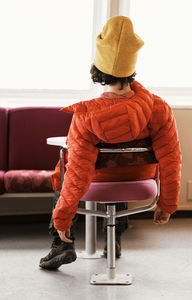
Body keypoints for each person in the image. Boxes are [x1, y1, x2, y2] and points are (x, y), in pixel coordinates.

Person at [39, 16, 181, 270]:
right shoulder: (159, 107)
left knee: (64, 169)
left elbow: (79, 172)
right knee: (119, 164)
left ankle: (61, 244)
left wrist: (62, 219)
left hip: (98, 180)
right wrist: (167, 204)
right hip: (140, 179)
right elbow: (171, 159)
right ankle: (114, 239)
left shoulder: (86, 115)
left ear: (98, 71)